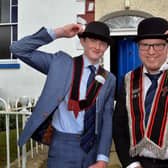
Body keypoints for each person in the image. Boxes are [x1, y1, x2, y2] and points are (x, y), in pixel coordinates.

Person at [10, 21, 116, 168]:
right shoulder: (60, 64)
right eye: (92, 40)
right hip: (62, 146)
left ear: (107, 47)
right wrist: (58, 32)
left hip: (92, 148)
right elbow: (18, 49)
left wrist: (103, 158)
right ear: (82, 41)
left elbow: (107, 120)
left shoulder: (109, 79)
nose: (97, 47)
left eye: (102, 43)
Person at [113, 17, 168, 168]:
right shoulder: (129, 79)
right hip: (139, 163)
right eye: (145, 45)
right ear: (138, 48)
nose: (151, 51)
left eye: (158, 45)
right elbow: (119, 127)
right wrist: (131, 164)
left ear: (167, 47)